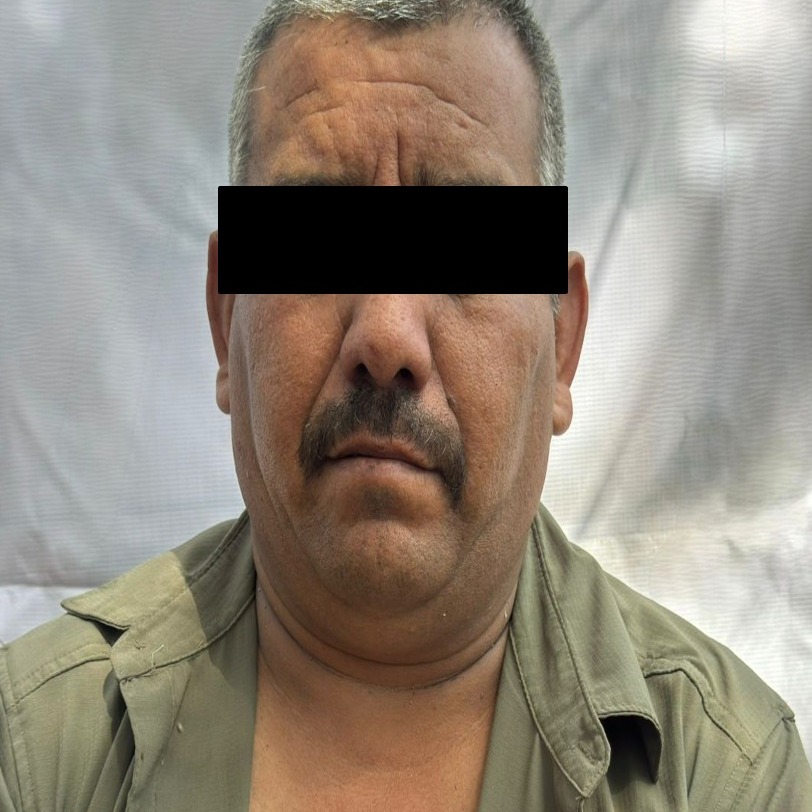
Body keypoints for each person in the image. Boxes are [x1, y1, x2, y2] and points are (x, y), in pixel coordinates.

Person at [1, 1, 810, 811]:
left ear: (562, 343)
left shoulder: (724, 778)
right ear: (226, 321)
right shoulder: (37, 753)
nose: (386, 336)